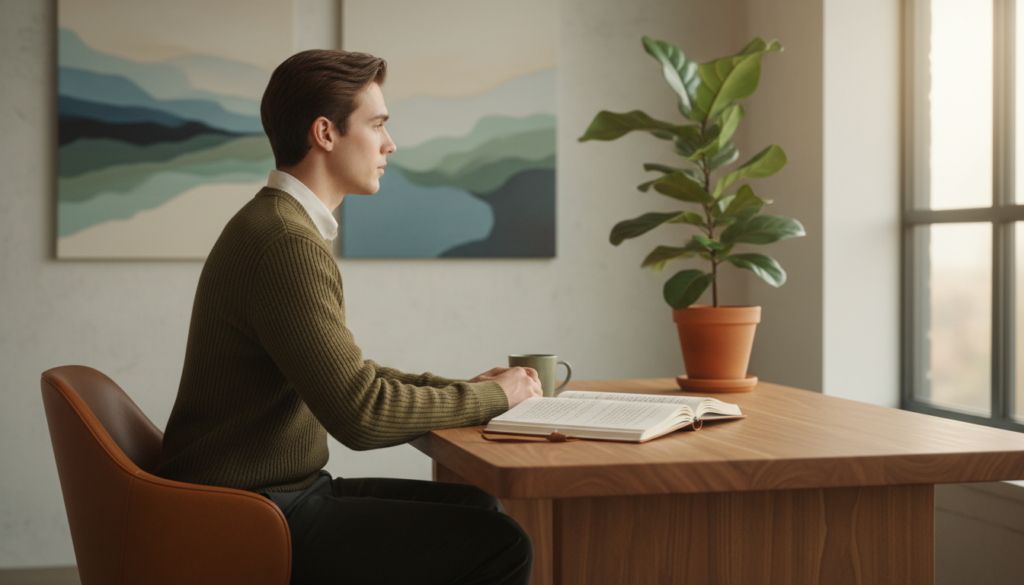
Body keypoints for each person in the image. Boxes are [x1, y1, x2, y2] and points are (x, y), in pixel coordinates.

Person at [154, 49, 542, 585]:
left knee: (479, 508)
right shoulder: (285, 242)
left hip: (279, 492)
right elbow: (360, 414)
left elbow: (352, 378)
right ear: (325, 133)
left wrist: (470, 389)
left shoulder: (279, 226)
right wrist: (496, 398)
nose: (390, 144)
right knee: (501, 545)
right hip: (248, 511)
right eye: (378, 124)